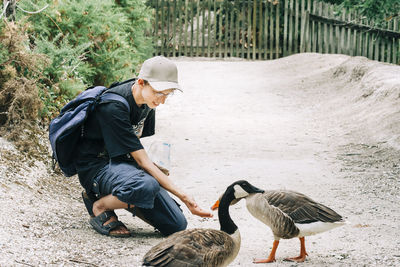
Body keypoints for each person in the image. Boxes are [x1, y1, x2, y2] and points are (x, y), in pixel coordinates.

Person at [75, 56, 212, 237]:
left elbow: (135, 145)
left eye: (167, 94)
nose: (161, 100)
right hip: (96, 167)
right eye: (159, 92)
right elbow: (143, 161)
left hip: (121, 163)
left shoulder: (147, 103)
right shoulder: (113, 106)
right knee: (146, 185)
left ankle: (128, 193)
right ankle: (99, 205)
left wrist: (153, 169)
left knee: (176, 224)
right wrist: (185, 197)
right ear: (141, 82)